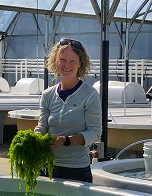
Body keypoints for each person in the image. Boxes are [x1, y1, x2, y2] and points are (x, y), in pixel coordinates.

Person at [34, 38, 102, 183]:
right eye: (63, 60)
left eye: (73, 61)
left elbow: (95, 132)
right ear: (56, 61)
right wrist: (35, 138)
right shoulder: (48, 94)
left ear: (80, 64)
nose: (67, 65)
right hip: (48, 165)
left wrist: (65, 141)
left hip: (76, 168)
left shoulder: (89, 94)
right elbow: (42, 127)